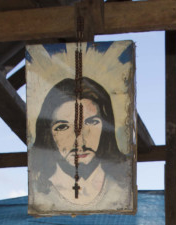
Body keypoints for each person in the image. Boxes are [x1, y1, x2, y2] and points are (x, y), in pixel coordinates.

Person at [29, 76, 132, 214]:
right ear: (48, 134)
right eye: (63, 127)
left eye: (91, 123)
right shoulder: (38, 194)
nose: (80, 142)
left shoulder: (121, 189)